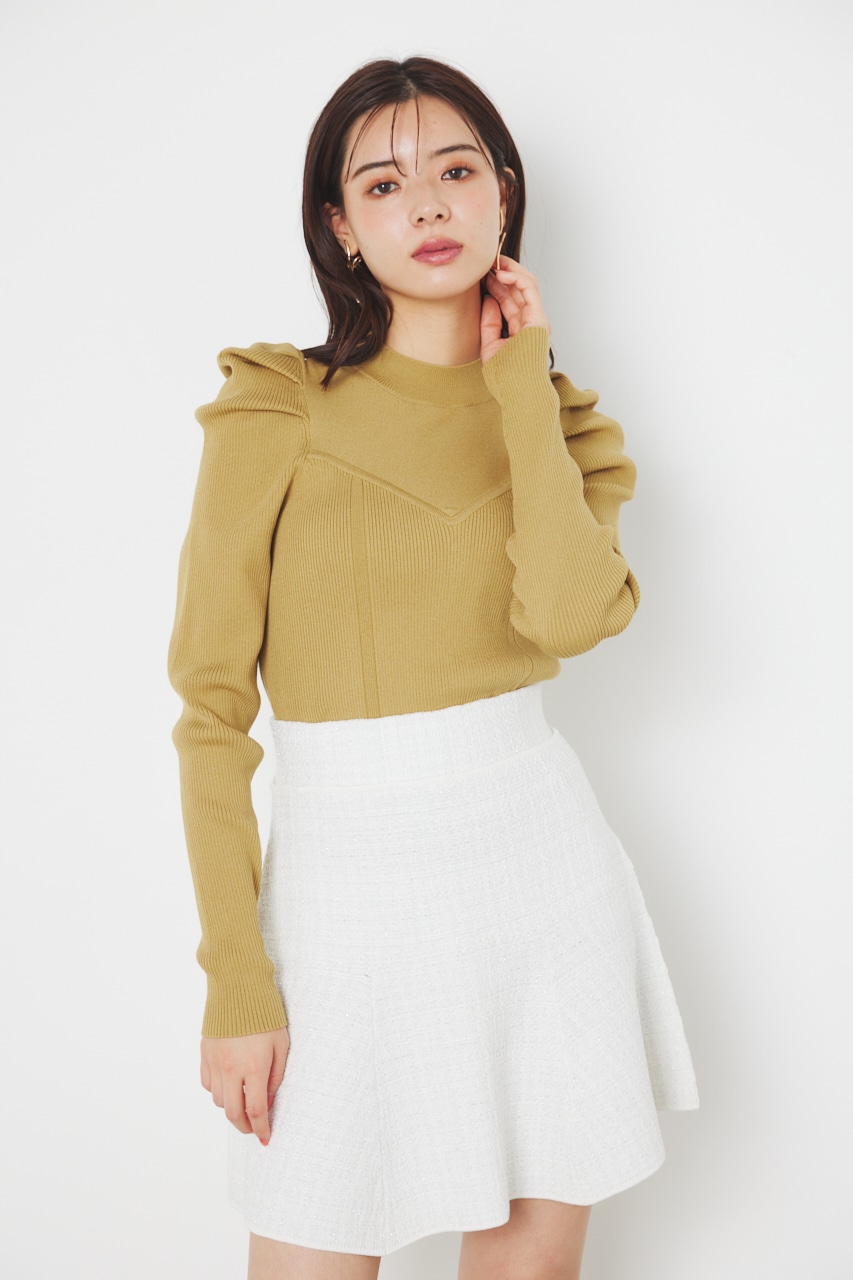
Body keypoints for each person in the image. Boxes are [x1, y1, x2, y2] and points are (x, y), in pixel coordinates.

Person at [167, 54, 699, 1280]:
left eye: (456, 170)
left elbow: (565, 617)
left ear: (502, 195)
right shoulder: (277, 405)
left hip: (540, 876)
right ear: (339, 226)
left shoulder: (566, 426)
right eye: (384, 182)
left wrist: (520, 383)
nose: (427, 204)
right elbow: (209, 711)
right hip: (343, 900)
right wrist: (236, 977)